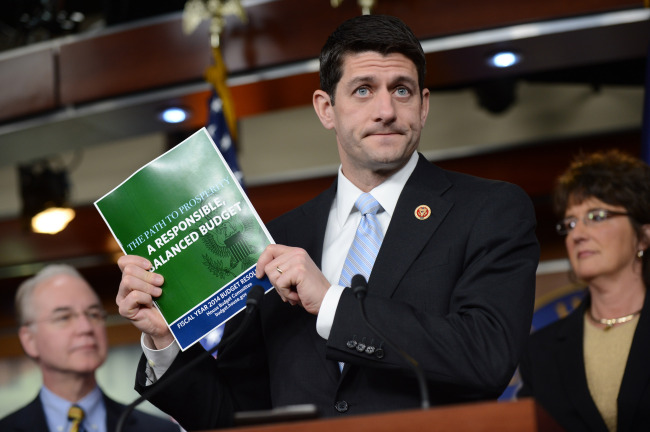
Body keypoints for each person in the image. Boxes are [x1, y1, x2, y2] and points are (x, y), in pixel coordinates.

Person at [116, 14, 539, 430]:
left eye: (402, 90)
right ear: (326, 109)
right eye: (363, 90)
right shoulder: (274, 240)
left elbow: (487, 356)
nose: (386, 110)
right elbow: (235, 415)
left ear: (423, 106)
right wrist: (163, 341)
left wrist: (332, 304)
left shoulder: (489, 210)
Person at [517, 150, 650, 432]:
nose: (577, 234)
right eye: (571, 223)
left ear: (643, 235)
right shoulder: (540, 352)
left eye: (597, 216)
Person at [0, 264, 180, 432]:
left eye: (93, 314)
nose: (86, 327)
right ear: (29, 340)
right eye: (64, 317)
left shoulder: (159, 429)